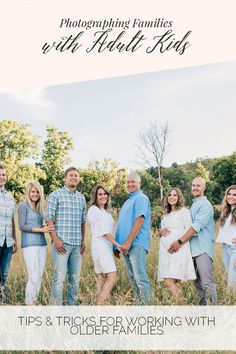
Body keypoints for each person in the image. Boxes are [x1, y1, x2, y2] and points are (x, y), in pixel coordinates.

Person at [168, 177, 218, 305]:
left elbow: (195, 227)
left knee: (207, 282)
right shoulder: (193, 205)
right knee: (198, 284)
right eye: (193, 185)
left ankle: (215, 313)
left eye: (198, 185)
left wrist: (179, 242)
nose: (195, 188)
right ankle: (204, 312)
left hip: (203, 249)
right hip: (191, 251)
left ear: (204, 188)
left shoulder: (206, 206)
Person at [45, 167, 87, 305]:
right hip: (61, 244)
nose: (74, 177)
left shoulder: (81, 198)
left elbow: (83, 222)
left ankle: (71, 310)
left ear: (79, 179)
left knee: (75, 279)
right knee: (59, 279)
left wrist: (83, 241)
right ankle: (55, 311)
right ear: (65, 178)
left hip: (76, 246)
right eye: (71, 175)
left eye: (76, 175)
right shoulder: (56, 195)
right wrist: (55, 240)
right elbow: (49, 218)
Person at [115, 172, 152, 305]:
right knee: (132, 279)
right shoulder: (128, 201)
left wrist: (128, 242)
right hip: (125, 247)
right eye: (128, 182)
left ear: (139, 184)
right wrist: (117, 247)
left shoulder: (141, 198)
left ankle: (146, 310)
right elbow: (122, 225)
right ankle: (138, 307)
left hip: (135, 244)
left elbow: (139, 221)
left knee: (140, 279)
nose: (130, 184)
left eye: (133, 182)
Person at [18, 182, 54, 305]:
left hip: (42, 244)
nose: (35, 194)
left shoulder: (40, 208)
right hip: (29, 245)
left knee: (39, 275)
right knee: (33, 275)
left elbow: (40, 226)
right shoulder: (23, 206)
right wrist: (41, 229)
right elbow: (22, 226)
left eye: (37, 192)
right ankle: (29, 305)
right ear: (28, 192)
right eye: (33, 191)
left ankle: (34, 301)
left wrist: (47, 225)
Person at [158, 188, 196, 303]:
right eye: (170, 195)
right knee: (175, 282)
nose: (172, 197)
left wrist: (179, 243)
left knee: (169, 280)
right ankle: (181, 308)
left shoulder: (184, 211)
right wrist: (160, 232)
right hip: (165, 252)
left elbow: (190, 231)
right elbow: (163, 231)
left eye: (175, 195)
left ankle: (180, 305)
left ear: (179, 197)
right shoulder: (166, 214)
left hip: (178, 251)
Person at [88, 184, 123, 305]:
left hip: (105, 248)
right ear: (95, 197)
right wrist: (117, 244)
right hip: (100, 247)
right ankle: (99, 306)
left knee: (101, 280)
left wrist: (113, 248)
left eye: (104, 194)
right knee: (112, 276)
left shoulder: (105, 211)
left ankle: (97, 308)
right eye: (100, 194)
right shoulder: (94, 210)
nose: (103, 196)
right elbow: (104, 232)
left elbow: (110, 231)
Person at [0, 163, 17, 303]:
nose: (1, 177)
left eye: (4, 175)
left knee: (5, 274)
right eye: (0, 175)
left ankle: (3, 301)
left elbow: (12, 220)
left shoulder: (10, 197)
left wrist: (15, 240)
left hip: (8, 243)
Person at [216, 185, 236, 291]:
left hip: (235, 249)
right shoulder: (226, 211)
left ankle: (230, 303)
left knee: (232, 282)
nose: (231, 197)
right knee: (231, 277)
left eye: (234, 195)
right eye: (229, 194)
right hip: (226, 248)